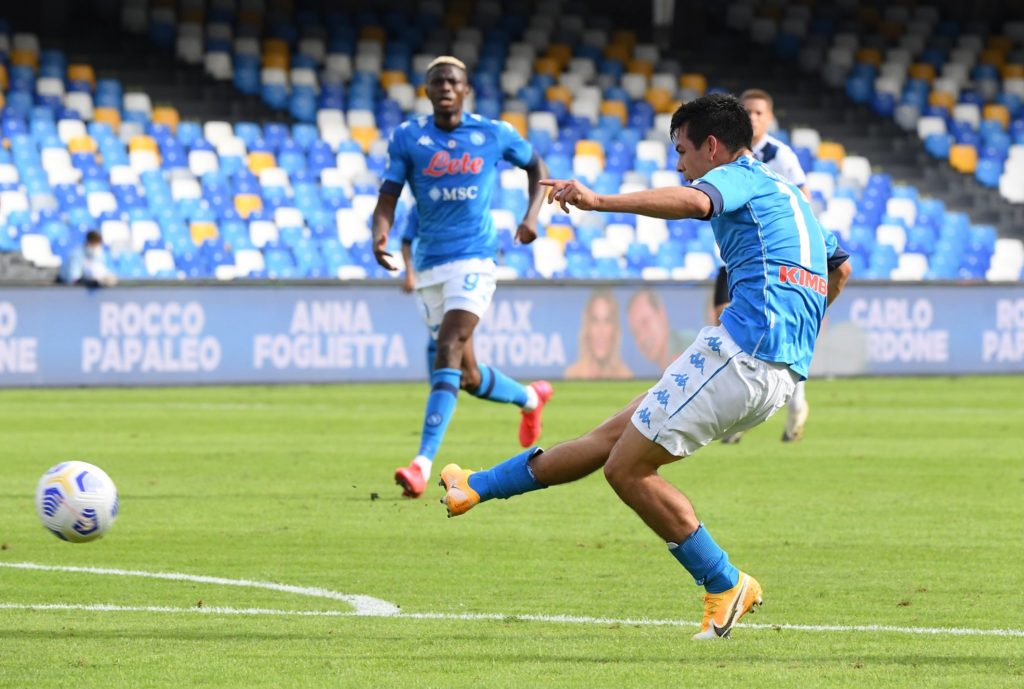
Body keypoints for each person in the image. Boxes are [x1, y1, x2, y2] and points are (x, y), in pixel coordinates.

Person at [438, 94, 851, 640]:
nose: (679, 164)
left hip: (740, 357)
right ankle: (477, 486)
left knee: (626, 470)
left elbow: (696, 203)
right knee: (610, 440)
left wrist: (598, 200)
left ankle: (725, 582)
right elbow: (839, 268)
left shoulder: (738, 177)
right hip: (774, 368)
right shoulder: (790, 195)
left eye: (682, 151)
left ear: (712, 146)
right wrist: (801, 328)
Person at [371, 56, 553, 499]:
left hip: (475, 258)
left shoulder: (492, 133)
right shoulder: (408, 137)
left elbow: (536, 167)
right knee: (466, 376)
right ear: (427, 90)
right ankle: (531, 399)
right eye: (438, 82)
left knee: (448, 347)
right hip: (430, 264)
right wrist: (379, 233)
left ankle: (421, 464)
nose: (446, 87)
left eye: (454, 81)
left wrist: (531, 216)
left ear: (466, 89)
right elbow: (389, 194)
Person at [717, 88, 811, 443]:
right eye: (748, 112)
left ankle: (793, 402)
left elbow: (802, 200)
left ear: (769, 118)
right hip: (736, 257)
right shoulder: (728, 154)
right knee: (724, 323)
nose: (753, 118)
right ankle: (735, 411)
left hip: (773, 261)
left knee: (772, 333)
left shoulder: (779, 155)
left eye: (759, 112)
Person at [564, 289, 633, 380]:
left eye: (607, 321)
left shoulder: (626, 376)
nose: (601, 332)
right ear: (587, 327)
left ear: (615, 329)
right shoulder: (572, 375)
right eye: (595, 320)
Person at [626, 288, 692, 371]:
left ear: (661, 314)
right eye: (635, 332)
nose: (642, 338)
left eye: (645, 322)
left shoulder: (691, 346)